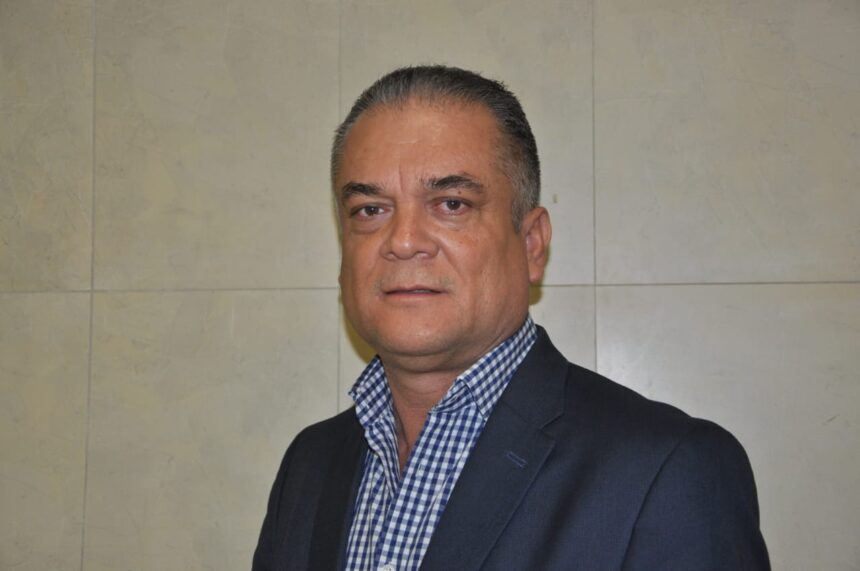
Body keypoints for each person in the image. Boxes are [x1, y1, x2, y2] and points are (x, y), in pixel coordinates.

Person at [253, 65, 770, 570]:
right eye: (370, 210)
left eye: (451, 204)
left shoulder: (669, 470)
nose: (403, 241)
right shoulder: (309, 464)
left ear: (531, 245)